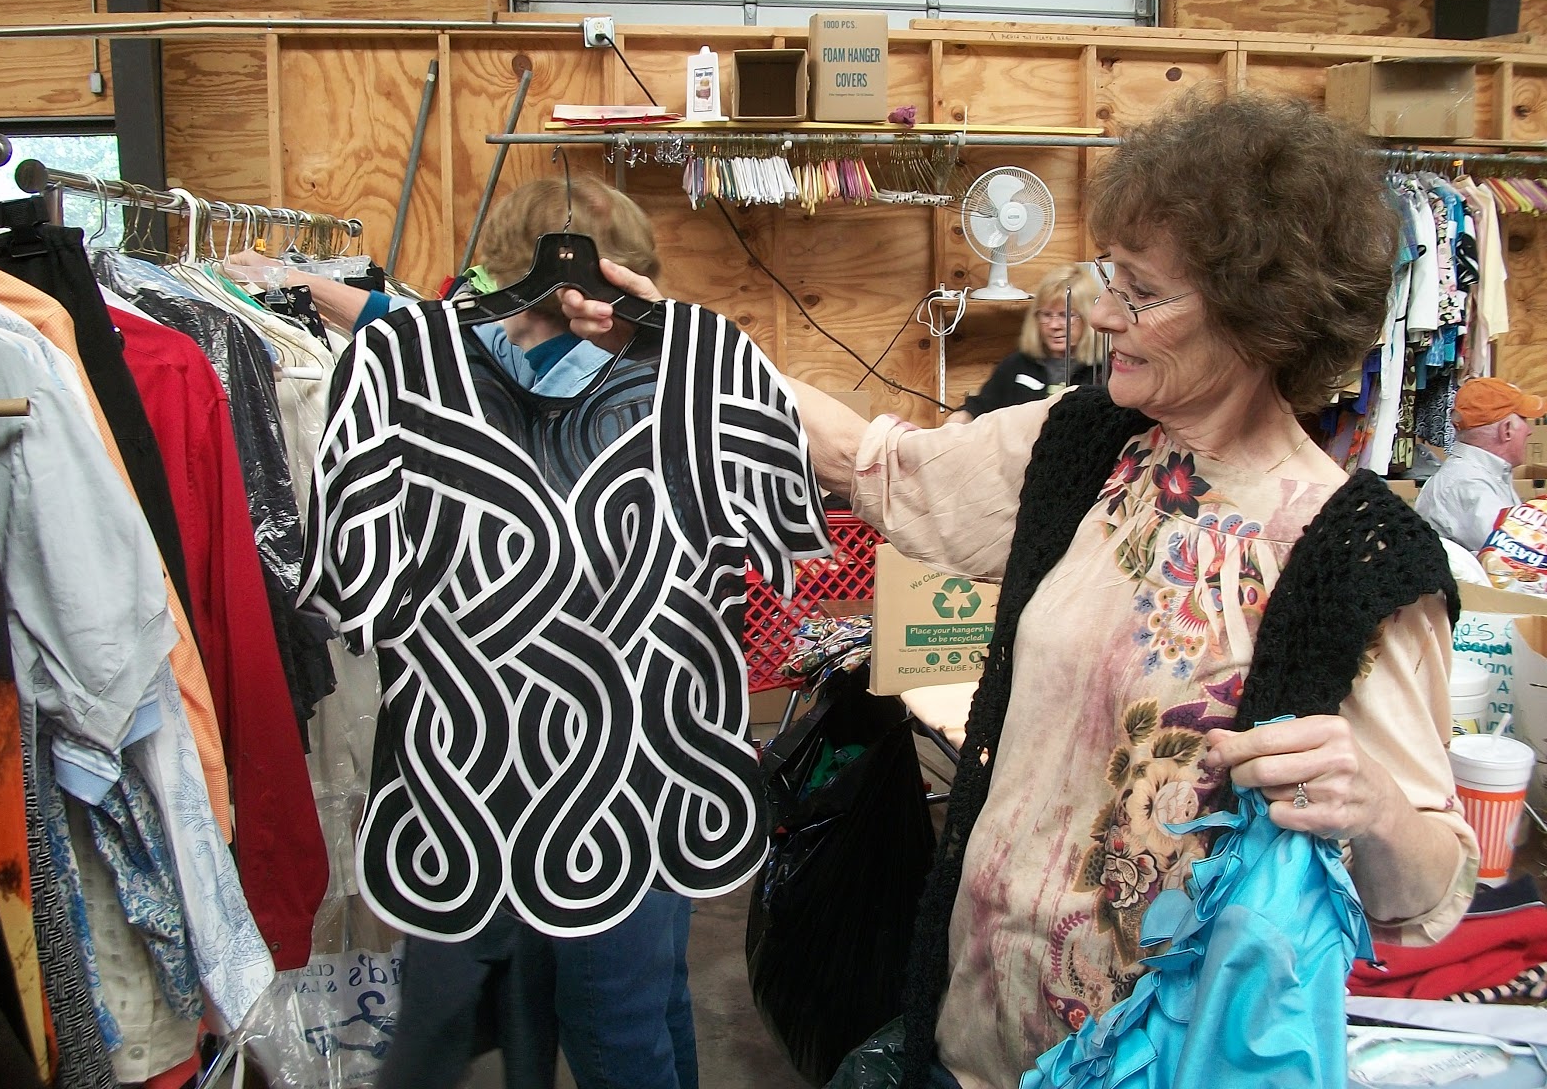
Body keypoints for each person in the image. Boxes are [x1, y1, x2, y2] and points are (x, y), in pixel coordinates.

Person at [563, 92, 1478, 1087]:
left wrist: (1372, 808)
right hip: (970, 1038)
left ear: (1262, 316)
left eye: (1142, 293)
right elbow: (872, 463)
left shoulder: (1355, 560)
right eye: (1111, 277)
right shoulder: (1083, 446)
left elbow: (1426, 894)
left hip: (1150, 1064)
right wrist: (679, 344)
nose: (1101, 313)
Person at [241, 178, 699, 1089]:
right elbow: (403, 323)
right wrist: (297, 284)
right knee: (622, 1001)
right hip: (584, 754)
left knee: (609, 1008)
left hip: (593, 762)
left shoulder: (628, 390)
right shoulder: (532, 371)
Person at [945, 263, 1105, 424]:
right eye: (1046, 315)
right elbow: (979, 407)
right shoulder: (1016, 365)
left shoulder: (1103, 372)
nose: (1054, 325)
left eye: (1065, 315)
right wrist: (959, 418)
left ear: (1088, 318)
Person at [1416, 377, 1545, 553]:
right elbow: (1519, 556)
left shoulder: (1480, 475)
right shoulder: (1470, 484)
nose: (1529, 431)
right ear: (1506, 430)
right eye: (1523, 419)